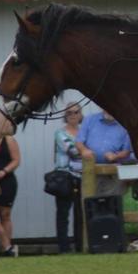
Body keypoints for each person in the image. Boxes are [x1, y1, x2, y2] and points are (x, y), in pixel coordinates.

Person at [52, 104, 84, 253]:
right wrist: (87, 149)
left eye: (76, 112)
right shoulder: (60, 133)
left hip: (83, 176)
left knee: (81, 213)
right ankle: (63, 248)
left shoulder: (85, 132)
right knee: (63, 213)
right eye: (69, 112)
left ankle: (80, 245)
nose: (73, 115)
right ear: (65, 115)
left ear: (80, 114)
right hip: (64, 177)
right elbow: (72, 151)